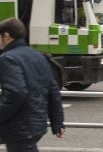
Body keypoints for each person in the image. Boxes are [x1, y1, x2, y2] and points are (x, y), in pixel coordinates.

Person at [0, 18, 65, 152]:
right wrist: (57, 122)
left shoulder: (8, 59)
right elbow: (53, 90)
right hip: (37, 125)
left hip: (19, 127)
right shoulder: (39, 56)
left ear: (6, 36)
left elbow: (16, 93)